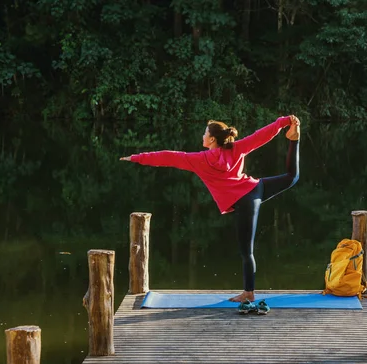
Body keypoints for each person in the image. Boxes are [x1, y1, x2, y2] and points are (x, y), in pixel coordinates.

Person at [120, 115, 300, 305]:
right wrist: (283, 121)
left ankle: (249, 293)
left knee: (247, 252)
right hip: (256, 188)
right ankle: (294, 140)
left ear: (212, 139)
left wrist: (136, 158)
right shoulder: (236, 148)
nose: (203, 135)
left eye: (205, 133)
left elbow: (168, 157)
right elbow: (261, 136)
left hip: (245, 201)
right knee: (292, 177)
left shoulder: (200, 159)